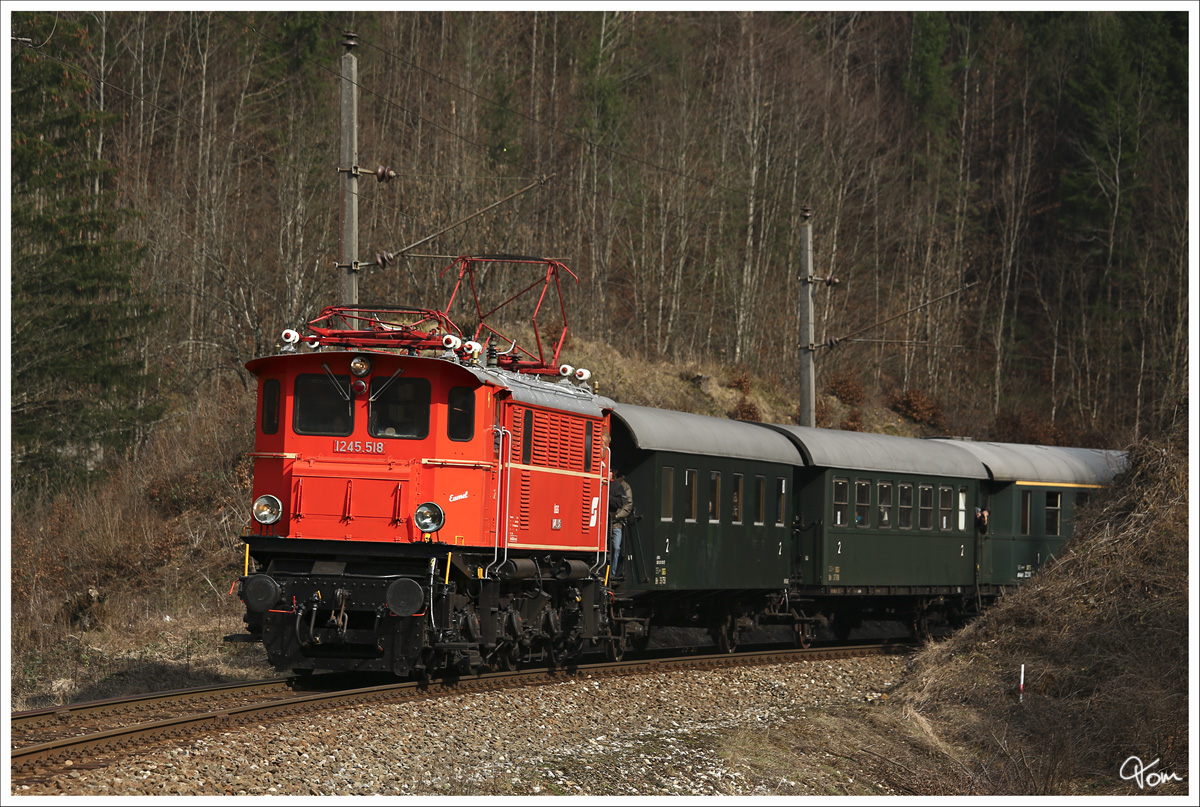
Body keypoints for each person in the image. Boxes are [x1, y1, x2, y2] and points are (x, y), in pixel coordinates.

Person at [608, 468, 633, 578]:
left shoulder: (623, 486)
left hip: (616, 522)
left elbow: (627, 505)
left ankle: (612, 572)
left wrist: (617, 516)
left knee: (616, 547)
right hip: (605, 522)